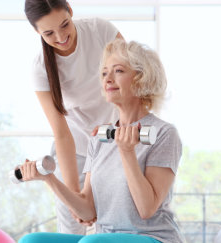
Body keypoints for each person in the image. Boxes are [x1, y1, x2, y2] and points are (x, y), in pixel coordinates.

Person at [19, 39, 184, 243]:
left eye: (118, 71)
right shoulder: (100, 138)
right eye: (105, 73)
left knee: (91, 242)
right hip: (103, 238)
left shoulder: (164, 134)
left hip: (151, 237)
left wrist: (127, 152)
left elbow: (146, 209)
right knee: (33, 240)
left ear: (141, 79)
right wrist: (49, 179)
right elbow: (88, 211)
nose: (108, 79)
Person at [23, 0, 123, 234]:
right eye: (49, 33)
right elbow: (61, 133)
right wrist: (73, 196)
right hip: (75, 150)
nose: (60, 37)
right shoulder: (40, 68)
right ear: (36, 32)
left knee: (113, 224)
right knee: (72, 227)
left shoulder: (101, 30)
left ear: (70, 10)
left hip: (116, 143)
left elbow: (132, 81)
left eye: (65, 24)